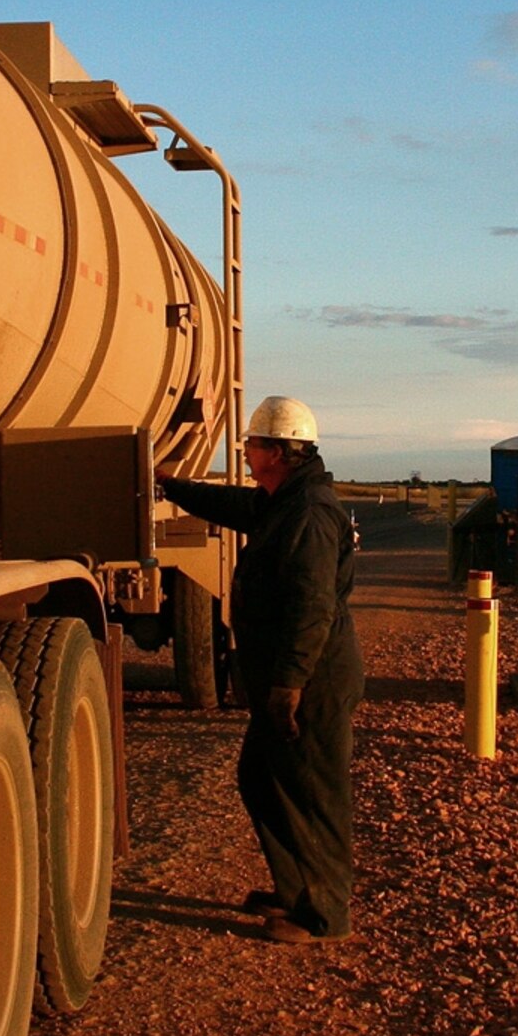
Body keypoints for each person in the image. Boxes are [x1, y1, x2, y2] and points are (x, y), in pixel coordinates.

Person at [157, 395, 361, 945]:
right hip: (288, 674)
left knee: (313, 792)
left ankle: (325, 915)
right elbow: (232, 506)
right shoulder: (281, 501)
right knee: (261, 778)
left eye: (252, 444)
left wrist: (290, 684)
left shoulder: (310, 513)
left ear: (278, 451)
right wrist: (172, 486)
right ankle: (295, 891)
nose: (244, 452)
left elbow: (312, 607)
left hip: (313, 677)